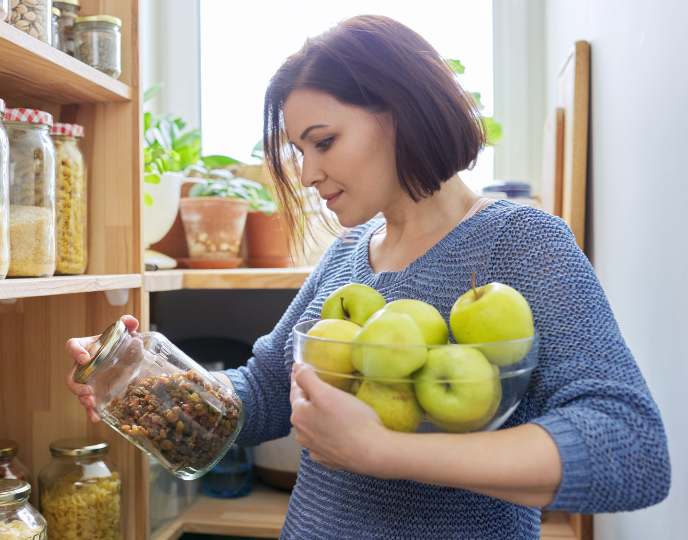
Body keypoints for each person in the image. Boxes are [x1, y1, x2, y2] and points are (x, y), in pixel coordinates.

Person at [65, 15, 670, 539]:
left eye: (324, 142)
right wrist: (142, 379)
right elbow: (269, 393)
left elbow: (631, 450)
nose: (307, 174)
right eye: (300, 151)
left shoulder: (523, 242)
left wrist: (389, 452)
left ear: (402, 110)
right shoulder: (348, 254)